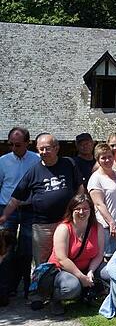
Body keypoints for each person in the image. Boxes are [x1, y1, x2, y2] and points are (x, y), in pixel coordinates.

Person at [1, 133, 84, 265]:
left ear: (56, 148)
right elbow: (16, 198)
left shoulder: (69, 163)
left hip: (66, 222)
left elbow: (80, 187)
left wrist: (80, 207)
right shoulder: (33, 171)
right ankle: (41, 285)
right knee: (42, 262)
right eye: (41, 149)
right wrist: (4, 216)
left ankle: (65, 285)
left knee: (67, 257)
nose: (44, 152)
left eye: (47, 148)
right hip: (43, 226)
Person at [47, 194, 105, 315]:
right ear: (71, 210)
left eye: (85, 208)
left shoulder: (97, 227)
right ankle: (55, 299)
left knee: (111, 272)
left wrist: (90, 272)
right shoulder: (64, 228)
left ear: (91, 210)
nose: (81, 212)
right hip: (63, 270)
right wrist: (81, 277)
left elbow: (99, 254)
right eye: (77, 209)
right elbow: (62, 259)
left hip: (87, 267)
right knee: (72, 287)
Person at [0, 126, 39, 299]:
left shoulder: (37, 160)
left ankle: (27, 287)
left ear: (27, 143)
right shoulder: (3, 161)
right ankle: (6, 289)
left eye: (17, 145)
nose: (14, 148)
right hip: (7, 208)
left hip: (29, 209)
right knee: (6, 251)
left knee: (27, 249)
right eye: (11, 145)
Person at [88, 143, 116, 258]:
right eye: (103, 158)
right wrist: (111, 223)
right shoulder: (95, 179)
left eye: (109, 156)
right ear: (98, 159)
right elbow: (99, 204)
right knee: (110, 256)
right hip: (108, 225)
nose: (107, 160)